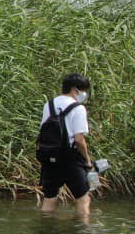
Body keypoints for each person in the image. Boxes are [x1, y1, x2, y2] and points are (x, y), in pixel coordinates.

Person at [38, 72, 95, 218]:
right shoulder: (78, 108)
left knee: (49, 199)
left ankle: (46, 232)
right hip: (71, 159)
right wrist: (87, 160)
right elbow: (79, 139)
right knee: (83, 199)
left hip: (49, 157)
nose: (84, 94)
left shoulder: (49, 105)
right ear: (75, 89)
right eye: (83, 90)